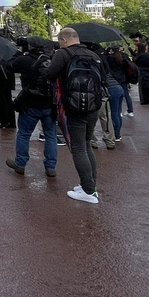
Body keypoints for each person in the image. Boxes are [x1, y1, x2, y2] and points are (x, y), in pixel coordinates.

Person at [42, 28, 105, 204]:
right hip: (93, 104)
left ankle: (88, 191)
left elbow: (49, 75)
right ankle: (90, 183)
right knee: (86, 145)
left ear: (64, 39)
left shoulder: (63, 54)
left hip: (73, 104)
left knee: (77, 148)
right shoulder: (93, 54)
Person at [5, 39, 57, 177]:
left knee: (24, 133)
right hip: (50, 103)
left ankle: (20, 163)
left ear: (30, 46)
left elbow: (8, 66)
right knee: (51, 135)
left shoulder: (24, 59)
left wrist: (18, 52)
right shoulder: (51, 59)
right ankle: (50, 166)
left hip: (31, 102)